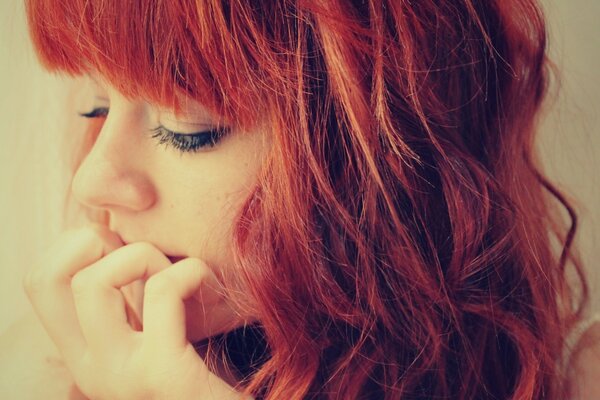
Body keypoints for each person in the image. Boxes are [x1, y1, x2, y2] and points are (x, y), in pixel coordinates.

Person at [0, 0, 597, 398]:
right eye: (97, 107)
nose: (94, 180)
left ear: (382, 156)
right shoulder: (37, 366)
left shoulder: (582, 377)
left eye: (189, 125)